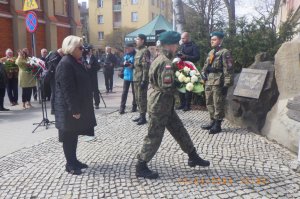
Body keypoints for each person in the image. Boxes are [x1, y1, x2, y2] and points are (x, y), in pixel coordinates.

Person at [135, 31, 210, 179]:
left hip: (164, 103)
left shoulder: (160, 58)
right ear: (169, 45)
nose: (177, 47)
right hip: (160, 103)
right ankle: (141, 165)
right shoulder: (166, 63)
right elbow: (167, 87)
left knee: (178, 129)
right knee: (154, 135)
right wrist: (186, 84)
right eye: (176, 44)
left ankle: (192, 155)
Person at [55, 35, 97, 175]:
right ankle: (70, 164)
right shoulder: (66, 63)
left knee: (74, 135)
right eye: (80, 47)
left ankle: (74, 160)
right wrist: (74, 109)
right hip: (68, 108)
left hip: (74, 105)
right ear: (71, 48)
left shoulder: (74, 61)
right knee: (69, 136)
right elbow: (68, 89)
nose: (82, 50)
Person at [201, 31, 234, 134]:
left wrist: (226, 84)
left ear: (220, 40)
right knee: (209, 102)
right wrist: (203, 73)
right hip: (209, 81)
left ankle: (218, 124)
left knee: (218, 103)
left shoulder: (225, 52)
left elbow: (228, 69)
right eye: (211, 40)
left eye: (214, 39)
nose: (212, 41)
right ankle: (212, 121)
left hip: (218, 81)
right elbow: (205, 66)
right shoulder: (211, 52)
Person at [177, 32, 200, 111]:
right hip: (181, 68)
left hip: (190, 70)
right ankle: (182, 104)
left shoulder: (194, 46)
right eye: (181, 38)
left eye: (183, 38)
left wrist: (186, 56)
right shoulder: (182, 46)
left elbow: (197, 57)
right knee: (180, 86)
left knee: (188, 87)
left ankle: (187, 105)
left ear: (188, 38)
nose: (182, 40)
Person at [132, 34, 151, 125]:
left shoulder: (145, 51)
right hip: (136, 78)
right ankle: (140, 114)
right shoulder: (138, 51)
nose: (136, 40)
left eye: (138, 39)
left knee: (141, 97)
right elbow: (136, 65)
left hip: (141, 79)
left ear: (142, 40)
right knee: (137, 98)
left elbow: (146, 67)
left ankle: (143, 117)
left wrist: (144, 79)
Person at [44, 48, 64, 115]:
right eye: (62, 54)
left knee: (54, 92)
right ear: (60, 52)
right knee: (54, 93)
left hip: (53, 76)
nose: (63, 56)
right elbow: (57, 67)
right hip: (54, 77)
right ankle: (53, 109)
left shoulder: (52, 54)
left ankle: (54, 109)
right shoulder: (55, 56)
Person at [119, 43, 137, 114]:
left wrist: (132, 66)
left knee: (134, 93)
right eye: (126, 48)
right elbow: (120, 63)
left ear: (132, 47)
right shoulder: (125, 55)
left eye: (127, 48)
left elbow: (139, 65)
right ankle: (122, 107)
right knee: (124, 92)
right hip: (126, 76)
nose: (126, 49)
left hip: (134, 76)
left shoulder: (136, 55)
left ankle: (134, 106)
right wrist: (123, 64)